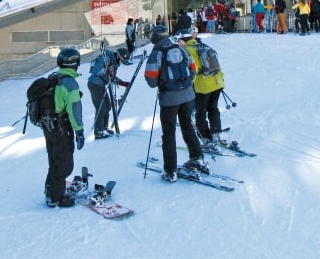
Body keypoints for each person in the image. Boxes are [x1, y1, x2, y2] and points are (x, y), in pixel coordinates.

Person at [144, 25, 207, 182]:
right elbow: (193, 69)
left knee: (169, 133)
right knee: (187, 126)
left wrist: (163, 82)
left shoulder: (156, 53)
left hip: (169, 100)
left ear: (154, 38)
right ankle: (197, 158)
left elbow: (151, 81)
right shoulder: (180, 48)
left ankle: (170, 170)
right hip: (187, 96)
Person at [43, 48, 85, 207]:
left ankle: (50, 192)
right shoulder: (70, 83)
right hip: (61, 127)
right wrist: (79, 131)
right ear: (75, 64)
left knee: (54, 160)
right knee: (64, 164)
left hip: (49, 126)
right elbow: (74, 111)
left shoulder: (56, 78)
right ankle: (56, 198)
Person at [183, 27, 225, 151]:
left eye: (179, 41)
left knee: (200, 113)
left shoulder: (188, 50)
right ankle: (215, 133)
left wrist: (188, 86)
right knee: (213, 108)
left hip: (203, 86)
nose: (178, 44)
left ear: (185, 40)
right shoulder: (203, 46)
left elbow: (193, 70)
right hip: (217, 83)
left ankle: (206, 139)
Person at [86, 47, 130, 139]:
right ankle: (98, 131)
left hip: (101, 85)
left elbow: (112, 78)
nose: (121, 62)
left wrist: (123, 83)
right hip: (95, 84)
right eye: (121, 60)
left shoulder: (114, 63)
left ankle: (104, 128)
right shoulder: (106, 58)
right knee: (101, 107)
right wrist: (107, 71)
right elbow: (96, 71)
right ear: (118, 56)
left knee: (108, 106)